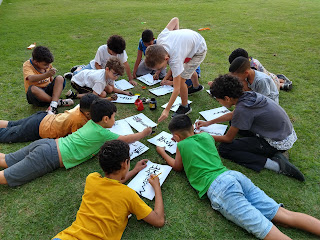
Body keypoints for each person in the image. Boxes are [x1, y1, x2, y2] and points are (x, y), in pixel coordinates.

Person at [157, 114, 320, 239]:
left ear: (176, 137)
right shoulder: (206, 136)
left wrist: (162, 152)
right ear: (193, 127)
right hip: (233, 176)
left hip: (219, 188)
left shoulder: (181, 144)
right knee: (284, 215)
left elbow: (178, 167)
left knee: (265, 229)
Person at [0, 99, 152, 187]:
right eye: (113, 117)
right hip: (48, 156)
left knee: (6, 160)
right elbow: (127, 139)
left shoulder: (91, 123)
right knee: (6, 177)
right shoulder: (103, 133)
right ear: (105, 119)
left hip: (47, 144)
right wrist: (144, 133)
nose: (114, 119)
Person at [196, 74, 304, 181]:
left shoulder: (243, 109)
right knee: (234, 123)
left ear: (227, 98)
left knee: (225, 149)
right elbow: (234, 114)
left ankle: (276, 165)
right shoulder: (248, 95)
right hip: (284, 133)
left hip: (277, 142)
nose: (219, 102)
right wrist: (208, 123)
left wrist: (205, 135)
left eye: (219, 100)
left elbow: (228, 139)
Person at [52, 140, 165, 240]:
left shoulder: (92, 179)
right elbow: (158, 220)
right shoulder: (128, 195)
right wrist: (157, 188)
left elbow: (112, 182)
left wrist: (135, 170)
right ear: (125, 163)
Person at [145, 17, 207, 122]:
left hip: (199, 50)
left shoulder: (175, 59)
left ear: (167, 58)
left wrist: (166, 110)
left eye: (160, 68)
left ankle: (185, 106)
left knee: (182, 79)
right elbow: (175, 19)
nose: (159, 70)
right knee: (187, 70)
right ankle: (196, 87)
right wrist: (178, 36)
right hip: (190, 42)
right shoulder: (161, 38)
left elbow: (177, 88)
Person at [0, 93, 99, 143]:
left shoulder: (79, 108)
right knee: (8, 134)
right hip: (39, 128)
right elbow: (75, 139)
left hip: (43, 117)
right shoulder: (78, 121)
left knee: (12, 124)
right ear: (88, 114)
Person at [69, 35, 137, 86]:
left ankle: (82, 68)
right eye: (114, 53)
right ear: (109, 48)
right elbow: (97, 64)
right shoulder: (101, 49)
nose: (116, 55)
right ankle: (78, 69)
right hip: (96, 68)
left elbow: (126, 64)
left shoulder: (121, 51)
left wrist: (130, 79)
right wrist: (104, 76)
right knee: (78, 77)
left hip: (109, 72)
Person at [23, 46, 73, 114]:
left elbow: (51, 79)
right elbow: (30, 78)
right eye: (45, 65)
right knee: (32, 88)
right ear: (36, 62)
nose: (48, 66)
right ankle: (57, 102)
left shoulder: (47, 63)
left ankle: (53, 105)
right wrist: (46, 74)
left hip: (48, 90)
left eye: (49, 64)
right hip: (37, 96)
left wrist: (55, 86)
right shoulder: (27, 65)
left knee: (60, 78)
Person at [66, 57, 132, 100]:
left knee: (108, 89)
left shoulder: (109, 75)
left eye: (118, 75)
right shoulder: (100, 80)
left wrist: (124, 92)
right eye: (115, 74)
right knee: (103, 94)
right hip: (77, 83)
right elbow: (94, 97)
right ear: (107, 69)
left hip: (85, 77)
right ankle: (74, 95)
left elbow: (113, 88)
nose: (116, 77)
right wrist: (109, 99)